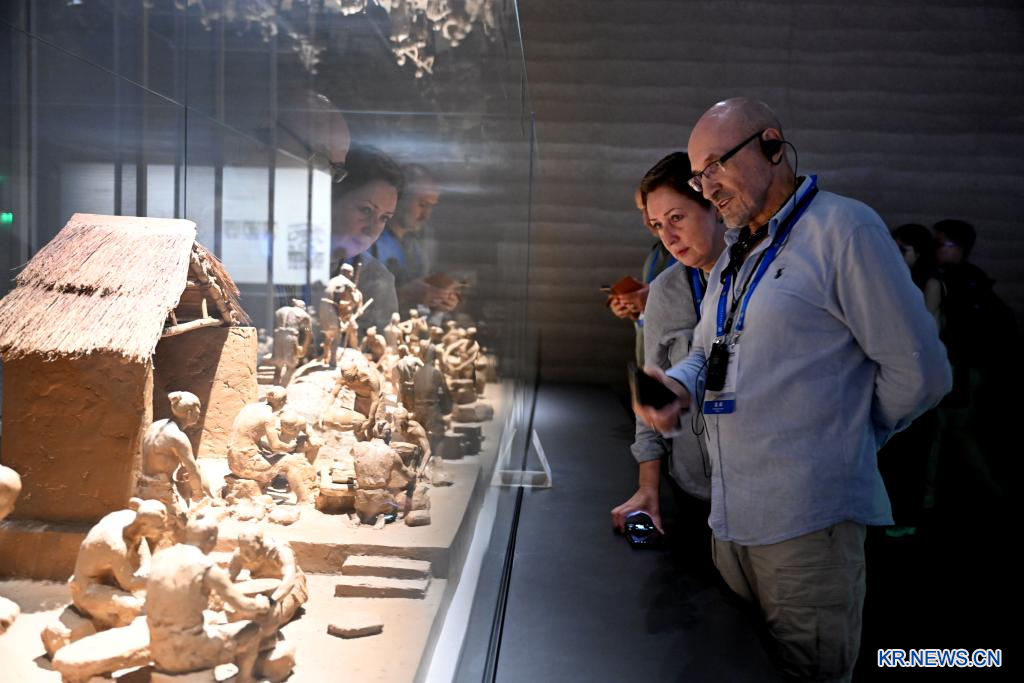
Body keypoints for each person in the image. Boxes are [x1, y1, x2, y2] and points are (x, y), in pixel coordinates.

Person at [636, 98, 950, 681]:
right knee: (742, 667)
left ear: (772, 146)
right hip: (730, 519)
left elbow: (921, 374)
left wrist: (848, 436)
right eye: (699, 177)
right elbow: (708, 350)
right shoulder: (736, 251)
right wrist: (676, 384)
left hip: (806, 521)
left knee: (808, 673)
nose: (708, 188)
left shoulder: (843, 229)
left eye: (715, 167)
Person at [611, 152, 725, 540]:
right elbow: (653, 387)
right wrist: (648, 487)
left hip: (763, 490)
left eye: (677, 218)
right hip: (692, 485)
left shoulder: (752, 279)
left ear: (714, 206)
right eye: (659, 224)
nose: (668, 236)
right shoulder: (665, 289)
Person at [877, 223, 944, 537]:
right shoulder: (895, 279)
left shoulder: (929, 283)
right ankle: (895, 513)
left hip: (918, 377)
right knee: (895, 449)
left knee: (911, 450)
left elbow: (925, 334)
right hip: (898, 373)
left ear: (919, 253)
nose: (895, 253)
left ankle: (906, 515)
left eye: (903, 249)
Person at [147, 518, 270, 683]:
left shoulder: (160, 557)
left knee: (210, 619)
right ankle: (245, 679)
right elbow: (243, 605)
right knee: (252, 631)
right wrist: (261, 604)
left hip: (158, 648)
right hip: (188, 651)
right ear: (212, 540)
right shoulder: (205, 566)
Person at [329, 145, 404, 332]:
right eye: (366, 210)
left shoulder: (376, 279)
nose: (372, 229)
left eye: (384, 218)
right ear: (331, 198)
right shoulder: (287, 263)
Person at [68, 498, 169, 630]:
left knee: (157, 600)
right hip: (88, 589)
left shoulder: (132, 518)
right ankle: (115, 635)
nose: (164, 530)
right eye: (160, 527)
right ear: (143, 525)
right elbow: (129, 582)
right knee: (134, 607)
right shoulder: (114, 545)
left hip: (114, 579)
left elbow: (145, 562)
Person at [373, 164, 460, 312]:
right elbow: (354, 299)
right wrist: (404, 294)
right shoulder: (368, 241)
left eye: (431, 206)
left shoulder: (415, 247)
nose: (426, 215)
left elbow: (420, 302)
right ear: (399, 198)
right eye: (422, 204)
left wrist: (439, 300)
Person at [607, 187, 677, 365]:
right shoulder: (656, 252)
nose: (646, 221)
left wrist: (653, 301)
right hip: (649, 363)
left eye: (649, 208)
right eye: (642, 211)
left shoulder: (692, 255)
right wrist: (634, 307)